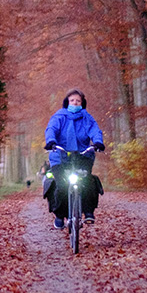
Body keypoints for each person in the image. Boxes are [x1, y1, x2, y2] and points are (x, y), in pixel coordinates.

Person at [42, 89, 105, 229]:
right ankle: (59, 215)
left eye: (78, 101)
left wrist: (98, 142)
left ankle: (88, 211)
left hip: (82, 155)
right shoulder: (59, 116)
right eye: (72, 101)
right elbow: (51, 129)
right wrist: (51, 141)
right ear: (67, 102)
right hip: (60, 156)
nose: (75, 103)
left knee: (87, 181)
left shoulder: (87, 118)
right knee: (61, 185)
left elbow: (95, 130)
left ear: (82, 103)